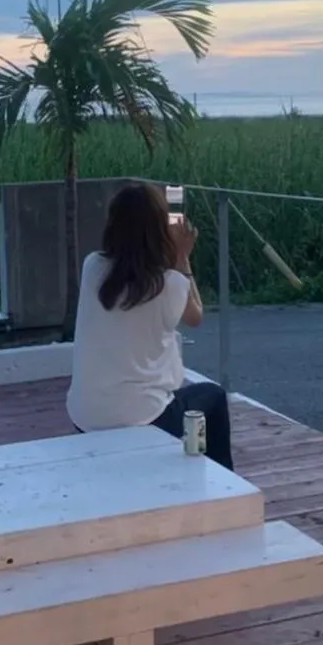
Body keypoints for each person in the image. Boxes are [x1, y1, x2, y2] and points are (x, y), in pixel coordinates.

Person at [66, 182, 234, 470]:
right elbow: (196, 317)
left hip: (85, 415)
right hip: (144, 416)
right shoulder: (168, 284)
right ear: (158, 230)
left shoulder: (92, 266)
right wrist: (182, 257)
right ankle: (221, 483)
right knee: (214, 398)